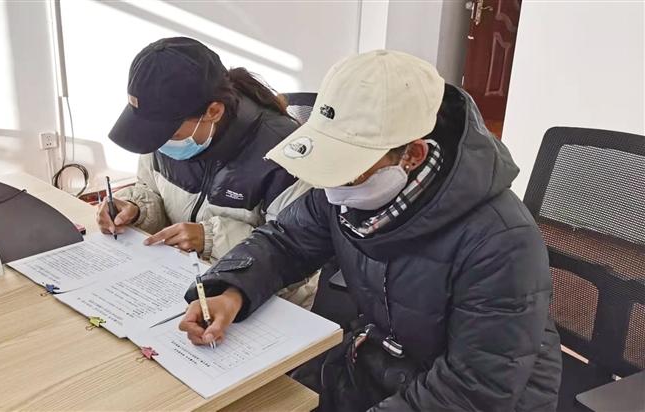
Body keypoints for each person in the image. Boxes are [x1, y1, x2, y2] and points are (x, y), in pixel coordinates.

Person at [178, 50, 562, 411]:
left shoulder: (502, 241)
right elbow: (287, 241)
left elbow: (473, 388)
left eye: (349, 167)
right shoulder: (353, 192)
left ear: (413, 155)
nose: (333, 186)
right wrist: (232, 292)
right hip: (381, 359)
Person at [96, 37, 316, 307]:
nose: (159, 143)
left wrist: (210, 239)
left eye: (170, 134)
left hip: (266, 303)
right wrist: (135, 208)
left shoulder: (285, 154)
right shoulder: (162, 133)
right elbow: (150, 189)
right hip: (180, 283)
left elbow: (296, 255)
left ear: (213, 111)